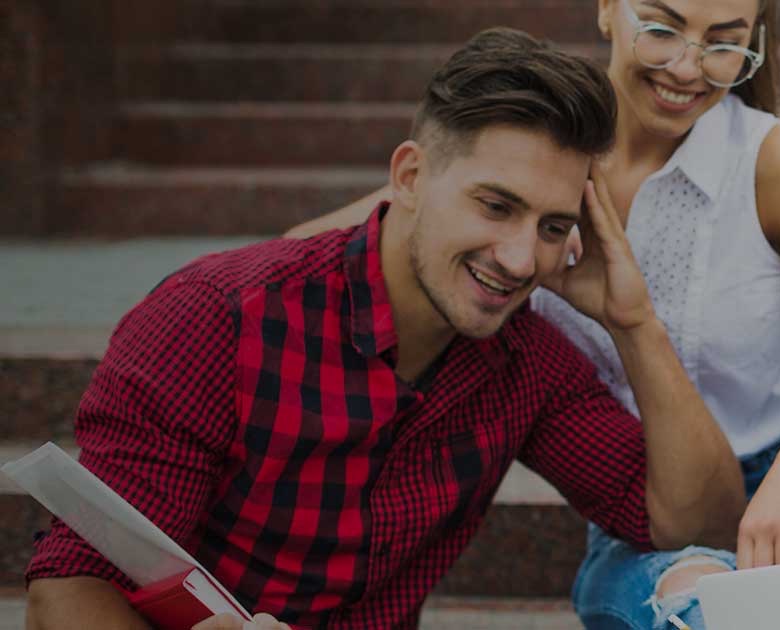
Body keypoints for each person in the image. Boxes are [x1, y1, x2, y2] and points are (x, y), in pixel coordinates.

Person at [25, 28, 713, 629]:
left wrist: (634, 321)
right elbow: (71, 587)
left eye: (552, 227)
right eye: (496, 206)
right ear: (409, 177)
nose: (520, 257)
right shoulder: (215, 319)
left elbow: (684, 520)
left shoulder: (523, 361)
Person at [286, 0, 780, 626]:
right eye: (661, 28)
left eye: (723, 42)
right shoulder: (543, 149)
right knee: (705, 614)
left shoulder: (776, 159)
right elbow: (298, 258)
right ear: (607, 10)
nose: (688, 66)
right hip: (643, 504)